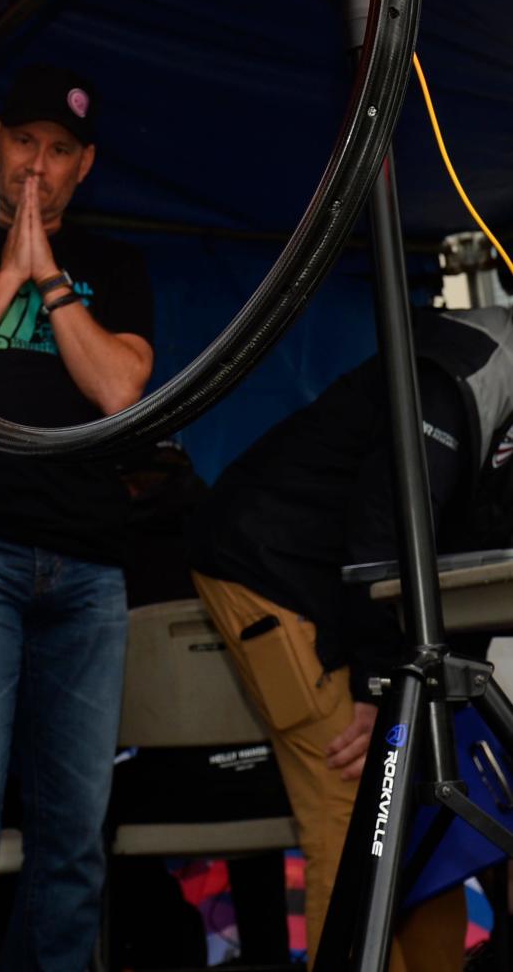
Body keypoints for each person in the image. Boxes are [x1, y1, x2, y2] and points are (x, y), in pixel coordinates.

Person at [190, 302, 513, 971]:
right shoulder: (464, 368)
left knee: (429, 820)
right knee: (361, 804)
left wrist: (444, 699)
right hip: (274, 569)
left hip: (371, 596)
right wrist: (380, 687)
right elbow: (386, 528)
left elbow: (474, 558)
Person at [0, 64, 154, 969]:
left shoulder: (116, 266)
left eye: (60, 151)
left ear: (83, 167)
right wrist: (4, 272)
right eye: (24, 141)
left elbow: (119, 389)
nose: (37, 166)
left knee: (76, 830)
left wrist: (47, 278)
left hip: (90, 566)